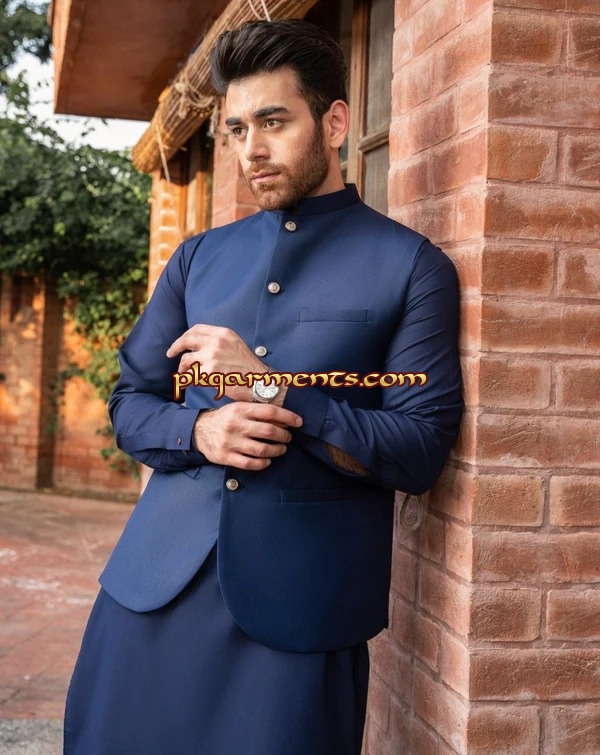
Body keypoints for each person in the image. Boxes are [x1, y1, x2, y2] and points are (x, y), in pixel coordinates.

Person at [63, 19, 463, 755]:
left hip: (301, 614)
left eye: (274, 122)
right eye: (239, 128)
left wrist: (274, 390)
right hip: (152, 594)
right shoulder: (197, 259)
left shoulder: (411, 268)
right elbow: (130, 403)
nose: (252, 149)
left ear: (334, 122)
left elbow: (419, 449)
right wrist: (199, 430)